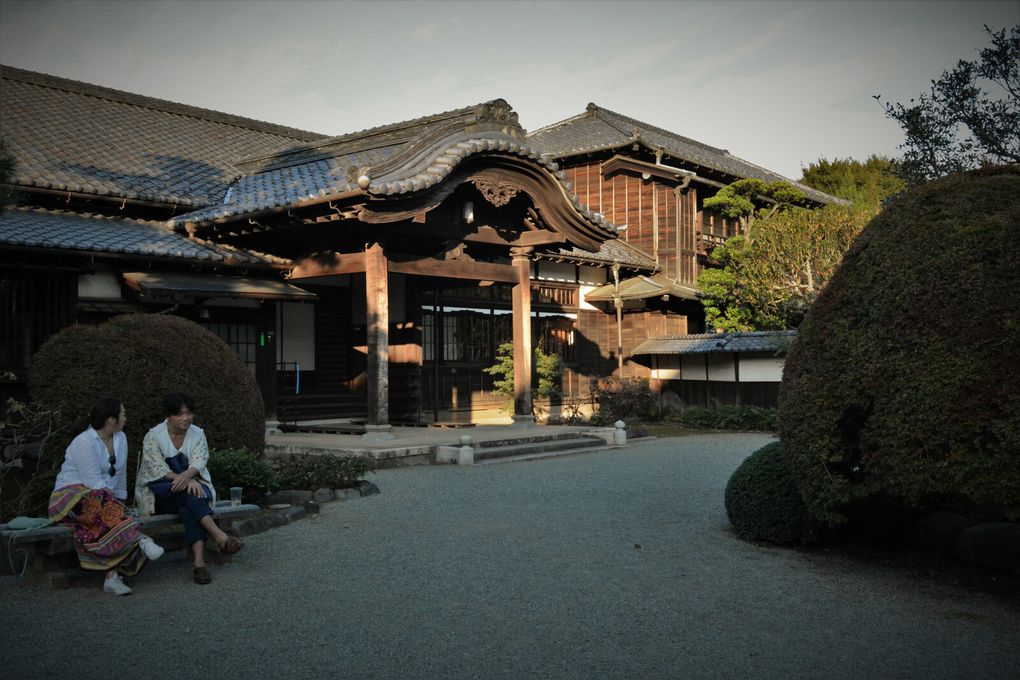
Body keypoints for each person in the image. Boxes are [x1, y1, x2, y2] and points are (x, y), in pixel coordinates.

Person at [49, 398, 165, 596]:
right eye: (123, 414)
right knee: (99, 502)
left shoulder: (121, 438)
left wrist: (120, 503)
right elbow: (92, 481)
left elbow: (120, 477)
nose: (126, 417)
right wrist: (118, 510)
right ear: (111, 420)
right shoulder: (84, 441)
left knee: (106, 521)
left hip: (102, 502)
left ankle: (112, 578)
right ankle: (140, 539)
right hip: (69, 498)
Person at [135, 392, 244, 585]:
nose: (186, 418)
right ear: (168, 416)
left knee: (189, 505)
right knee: (192, 495)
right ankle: (219, 539)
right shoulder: (154, 436)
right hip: (161, 494)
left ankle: (200, 565)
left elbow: (200, 460)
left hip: (190, 491)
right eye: (179, 414)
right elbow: (155, 467)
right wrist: (184, 478)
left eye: (189, 413)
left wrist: (187, 476)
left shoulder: (197, 433)